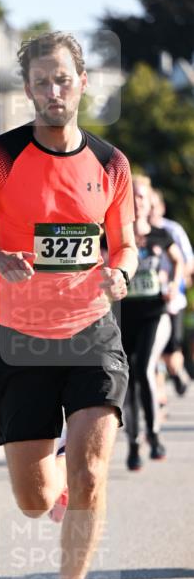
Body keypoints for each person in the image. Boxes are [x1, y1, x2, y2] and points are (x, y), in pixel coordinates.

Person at [0, 31, 137, 579]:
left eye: (64, 79)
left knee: (89, 473)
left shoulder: (111, 163)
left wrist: (121, 272)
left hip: (92, 333)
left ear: (83, 82)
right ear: (28, 89)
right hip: (22, 341)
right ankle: (52, 494)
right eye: (41, 81)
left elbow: (124, 243)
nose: (54, 91)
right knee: (32, 501)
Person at [121, 175, 184, 470]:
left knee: (145, 365)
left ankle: (155, 435)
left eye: (141, 197)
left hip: (155, 314)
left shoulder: (161, 235)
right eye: (131, 196)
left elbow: (179, 261)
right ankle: (134, 442)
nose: (136, 202)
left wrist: (173, 283)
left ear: (149, 204)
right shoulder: (116, 238)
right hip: (124, 316)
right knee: (129, 378)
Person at [149, 187, 193, 396]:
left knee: (170, 352)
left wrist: (175, 284)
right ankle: (159, 399)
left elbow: (187, 261)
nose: (151, 211)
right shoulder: (137, 231)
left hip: (173, 299)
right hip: (149, 299)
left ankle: (177, 373)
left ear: (161, 207)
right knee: (151, 350)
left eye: (154, 206)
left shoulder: (171, 230)